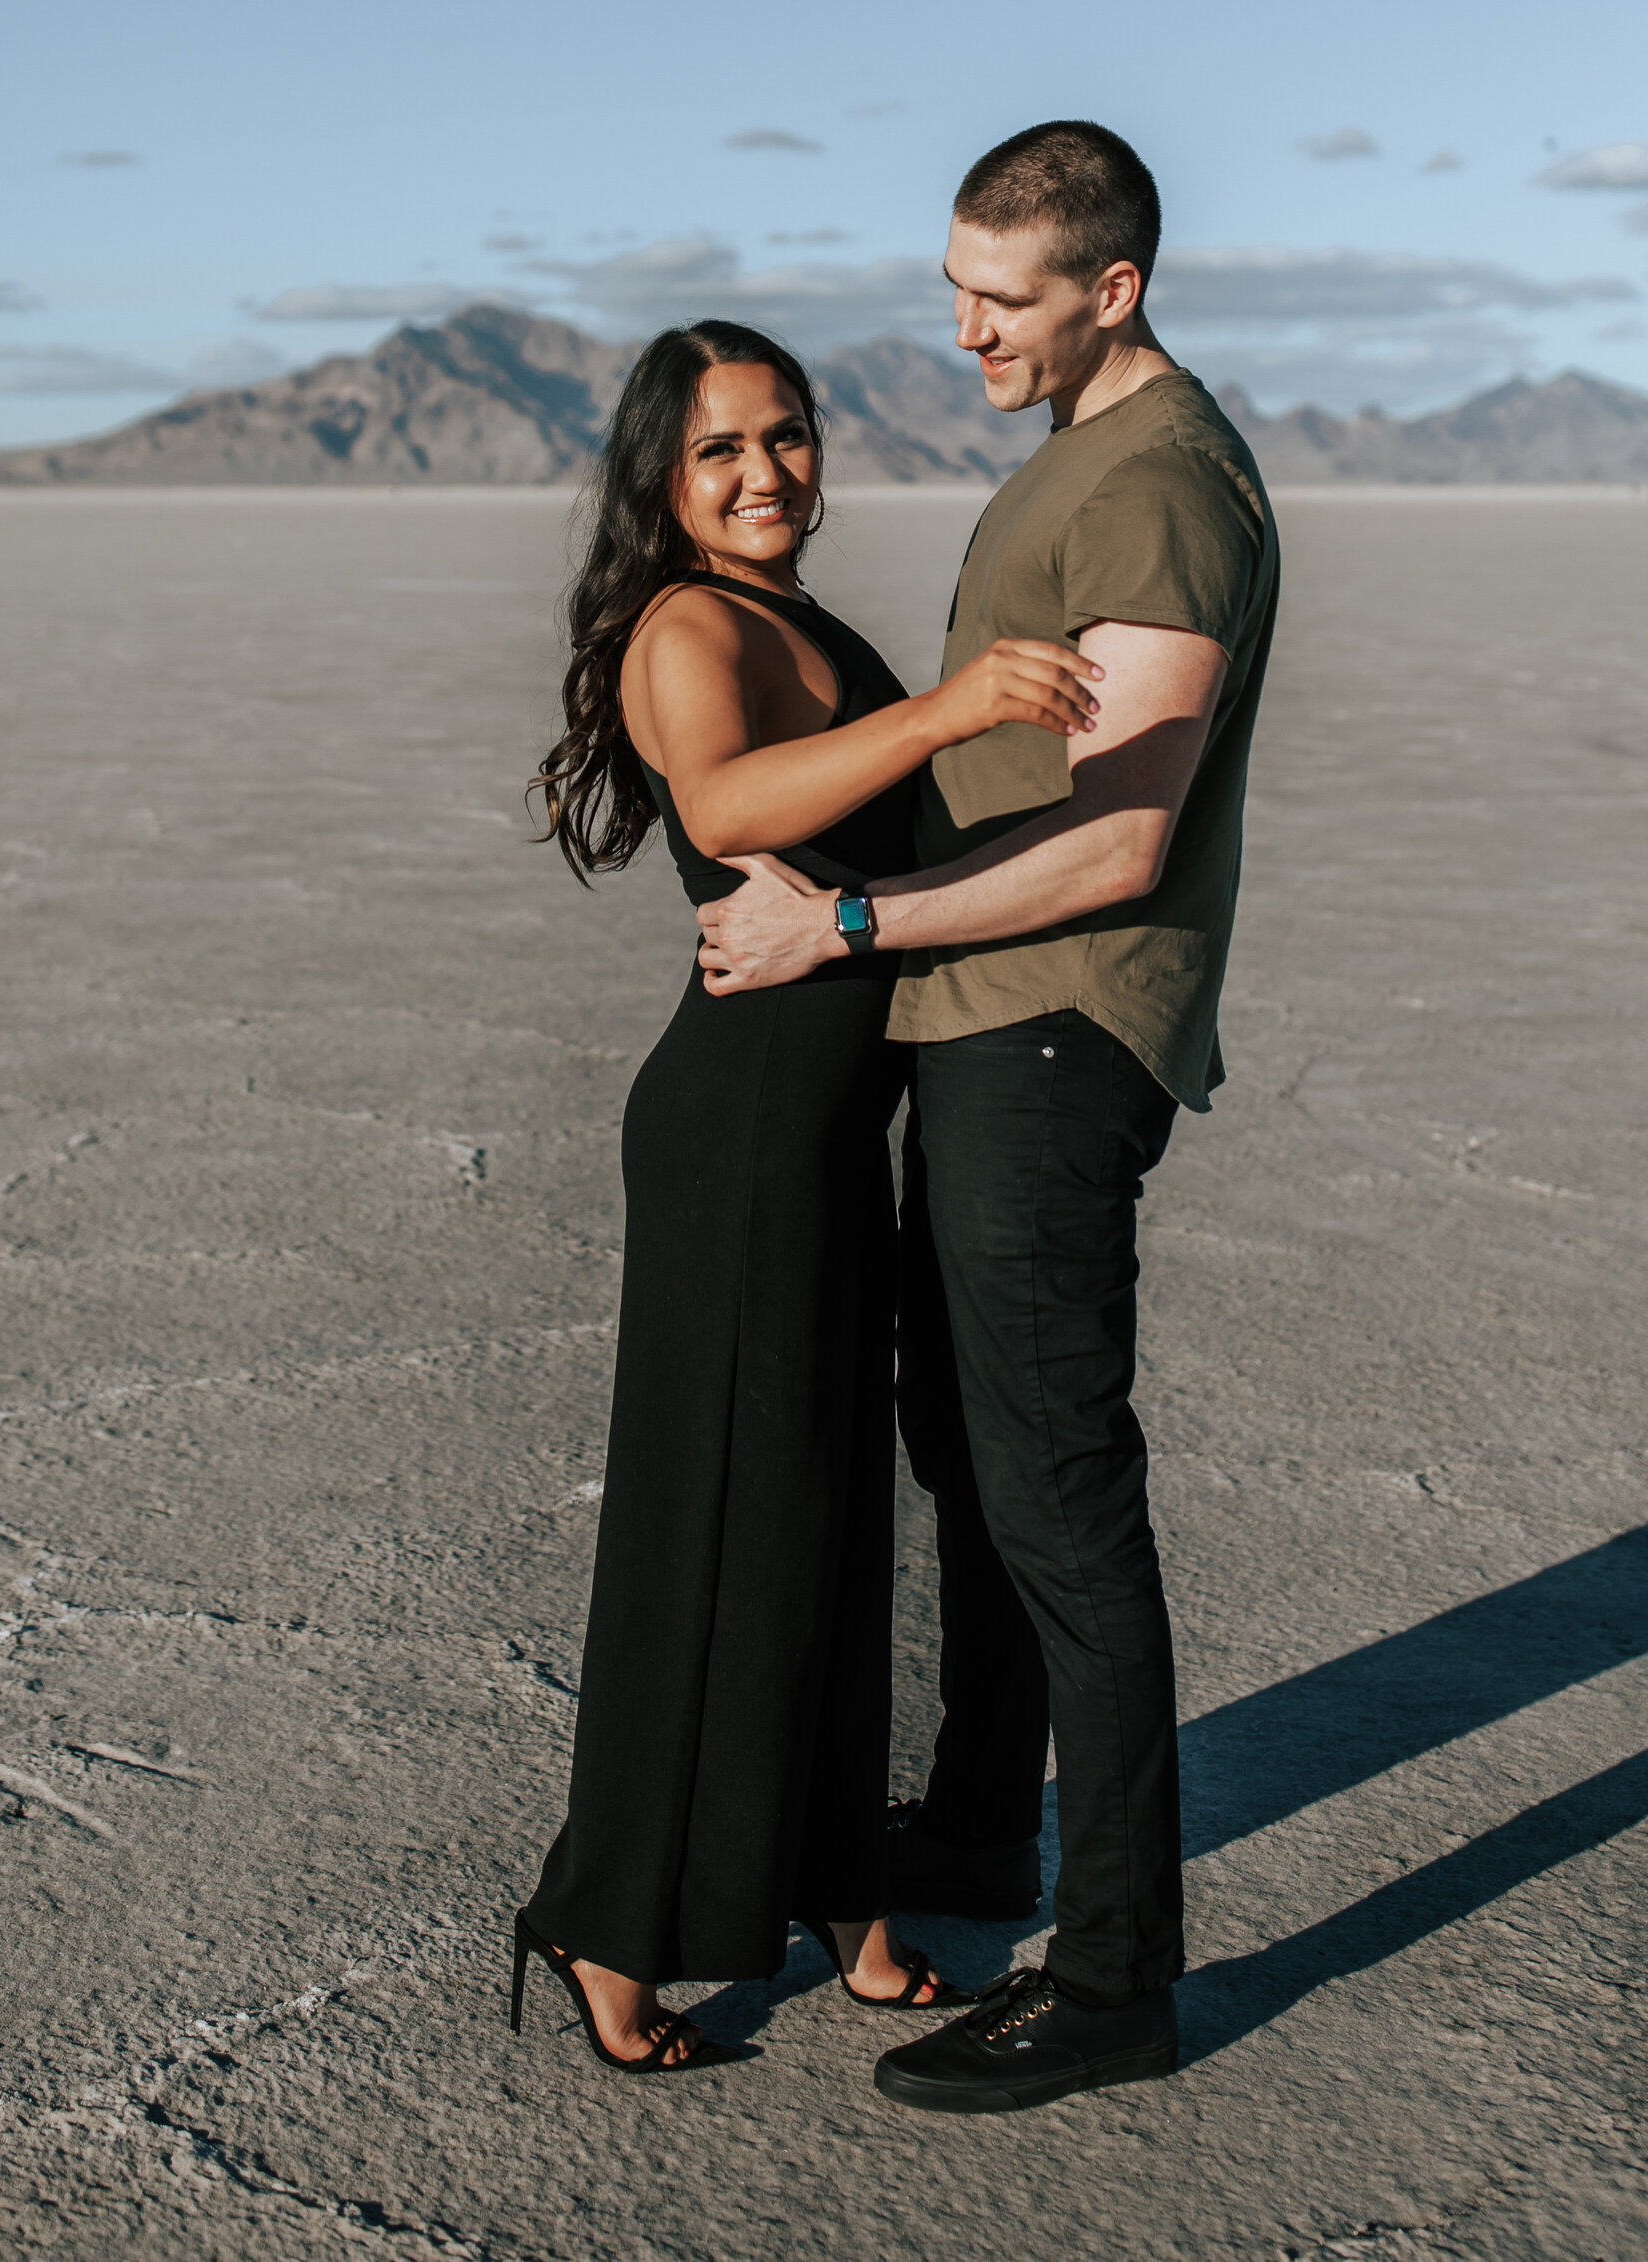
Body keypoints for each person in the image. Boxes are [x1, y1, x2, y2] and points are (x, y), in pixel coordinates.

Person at [696, 123, 1280, 2114]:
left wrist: (842, 921)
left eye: (1000, 299)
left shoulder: (1161, 491)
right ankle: (969, 1842)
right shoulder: (1070, 468)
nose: (959, 332)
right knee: (973, 1452)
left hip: (1049, 1037)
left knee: (1054, 1502)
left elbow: (1117, 838)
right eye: (951, 289)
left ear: (1107, 290)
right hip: (978, 1026)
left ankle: (1113, 1982)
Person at [513, 317, 1104, 2075]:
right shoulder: (691, 624)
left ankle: (844, 1901)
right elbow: (728, 796)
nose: (766, 472)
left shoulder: (788, 614)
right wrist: (955, 702)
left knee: (833, 1532)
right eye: (721, 451)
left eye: (789, 436)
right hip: (741, 1140)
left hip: (829, 1138)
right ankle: (609, 1924)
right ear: (661, 478)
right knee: (714, 1532)